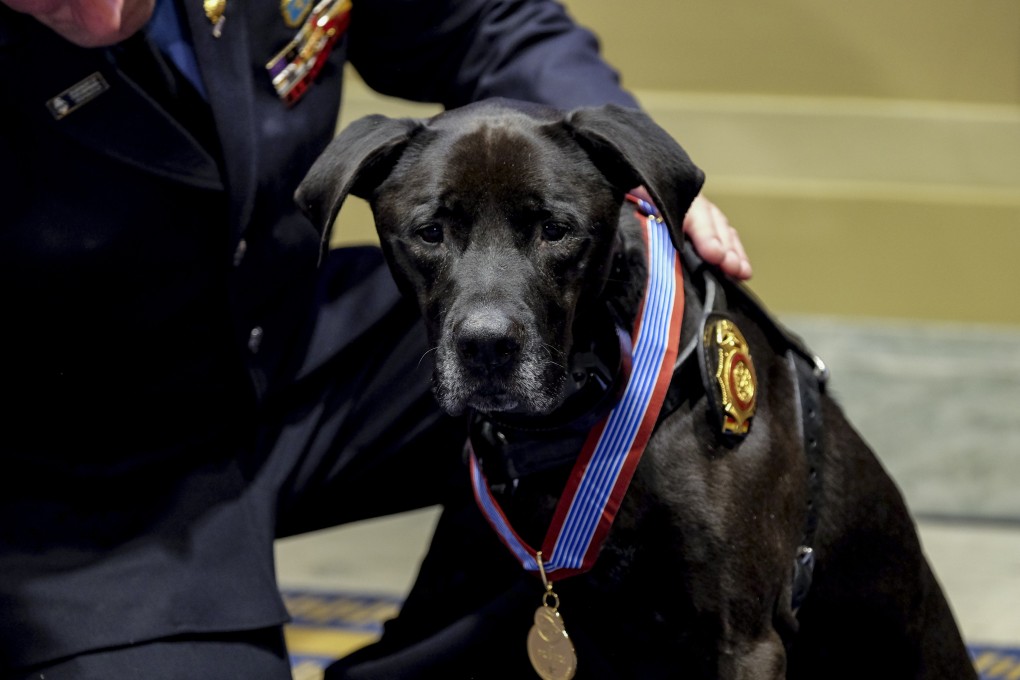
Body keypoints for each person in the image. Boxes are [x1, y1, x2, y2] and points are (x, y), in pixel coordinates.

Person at [0, 0, 751, 676]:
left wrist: (622, 166)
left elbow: (485, 22)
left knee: (615, 331)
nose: (96, 9)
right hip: (81, 472)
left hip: (290, 340)